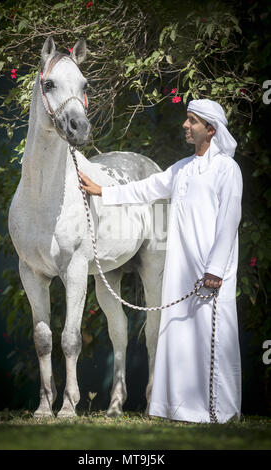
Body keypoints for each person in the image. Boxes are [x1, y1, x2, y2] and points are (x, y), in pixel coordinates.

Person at [79, 99, 243, 423]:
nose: (185, 125)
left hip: (211, 274)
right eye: (187, 119)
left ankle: (219, 412)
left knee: (213, 338)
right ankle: (181, 409)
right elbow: (145, 189)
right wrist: (102, 192)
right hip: (180, 272)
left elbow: (228, 222)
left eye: (192, 121)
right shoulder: (181, 169)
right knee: (180, 336)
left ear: (211, 129)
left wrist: (214, 271)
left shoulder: (228, 170)